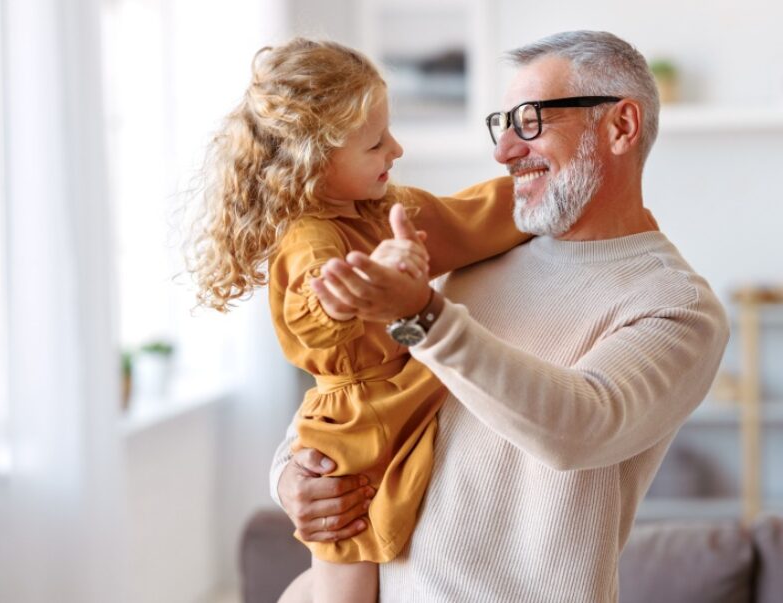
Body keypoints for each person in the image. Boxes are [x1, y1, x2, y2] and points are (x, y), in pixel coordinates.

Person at [270, 30, 730, 602]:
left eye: (531, 121)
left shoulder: (674, 304)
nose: (504, 149)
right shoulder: (470, 258)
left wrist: (423, 314)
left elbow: (578, 426)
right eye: (503, 123)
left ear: (621, 126)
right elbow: (353, 389)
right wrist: (293, 477)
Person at [187, 38, 528, 603]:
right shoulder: (309, 237)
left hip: (403, 393)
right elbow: (318, 315)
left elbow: (469, 219)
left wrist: (541, 193)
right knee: (346, 572)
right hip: (354, 427)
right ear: (313, 159)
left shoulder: (386, 208)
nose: (396, 148)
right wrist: (366, 286)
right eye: (375, 143)